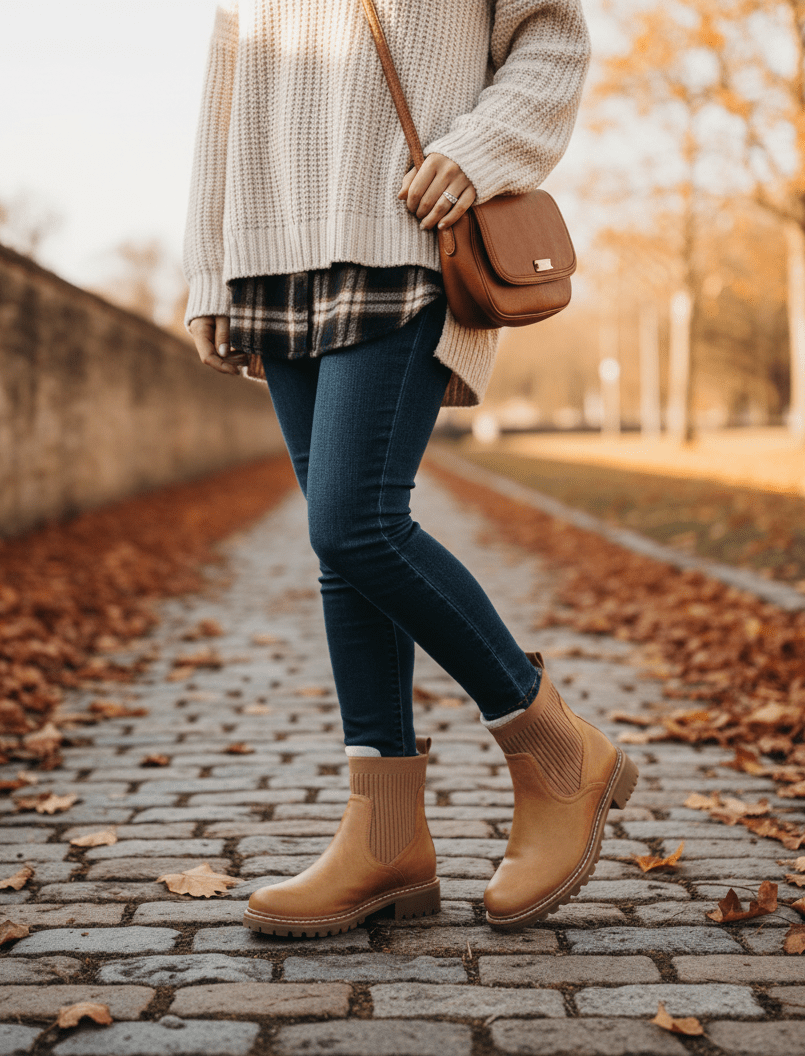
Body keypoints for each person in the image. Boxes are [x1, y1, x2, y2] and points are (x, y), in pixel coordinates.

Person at [183, 0, 637, 936]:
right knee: (341, 551)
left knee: (356, 522)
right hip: (274, 248)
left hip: (403, 233)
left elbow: (550, 33)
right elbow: (228, 77)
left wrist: (480, 151)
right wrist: (207, 265)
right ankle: (386, 838)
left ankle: (557, 750)